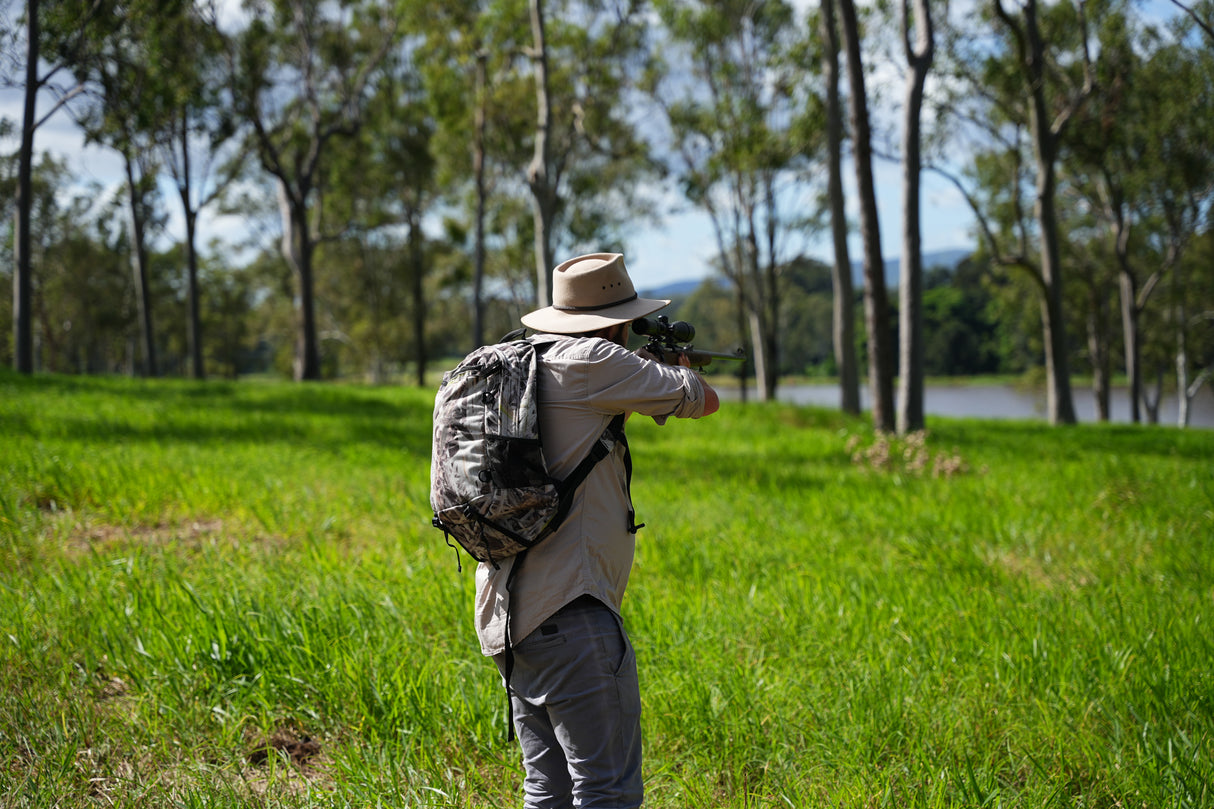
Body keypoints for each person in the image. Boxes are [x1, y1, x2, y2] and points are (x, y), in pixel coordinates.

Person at [474, 252, 720, 809]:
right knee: (609, 792)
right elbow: (704, 400)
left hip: (508, 613)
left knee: (548, 790)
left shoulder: (527, 362)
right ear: (617, 322)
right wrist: (677, 369)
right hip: (573, 609)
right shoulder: (598, 361)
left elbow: (582, 433)